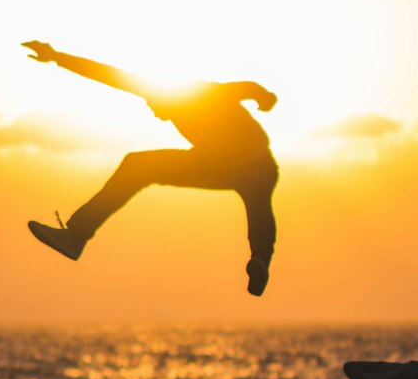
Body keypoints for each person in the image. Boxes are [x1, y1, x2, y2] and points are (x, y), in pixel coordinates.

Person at [22, 41, 279, 296]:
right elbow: (105, 74)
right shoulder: (158, 91)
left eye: (155, 106)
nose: (155, 113)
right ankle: (76, 236)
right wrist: (56, 56)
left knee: (256, 203)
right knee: (139, 166)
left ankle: (260, 262)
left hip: (254, 166)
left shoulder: (202, 94)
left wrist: (265, 97)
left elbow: (243, 88)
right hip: (220, 164)